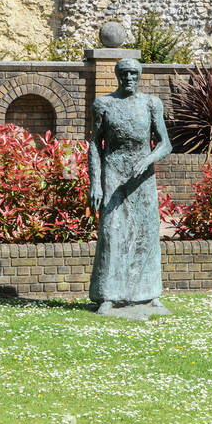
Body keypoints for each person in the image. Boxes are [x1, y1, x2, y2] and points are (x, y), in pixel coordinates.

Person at [87, 58, 173, 317]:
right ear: (117, 76)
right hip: (113, 175)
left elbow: (165, 144)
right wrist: (95, 183)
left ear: (140, 75)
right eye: (124, 73)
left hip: (142, 178)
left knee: (146, 232)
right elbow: (95, 145)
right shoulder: (104, 104)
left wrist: (148, 159)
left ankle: (150, 293)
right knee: (113, 233)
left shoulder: (150, 104)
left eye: (134, 73)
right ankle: (107, 296)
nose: (129, 78)